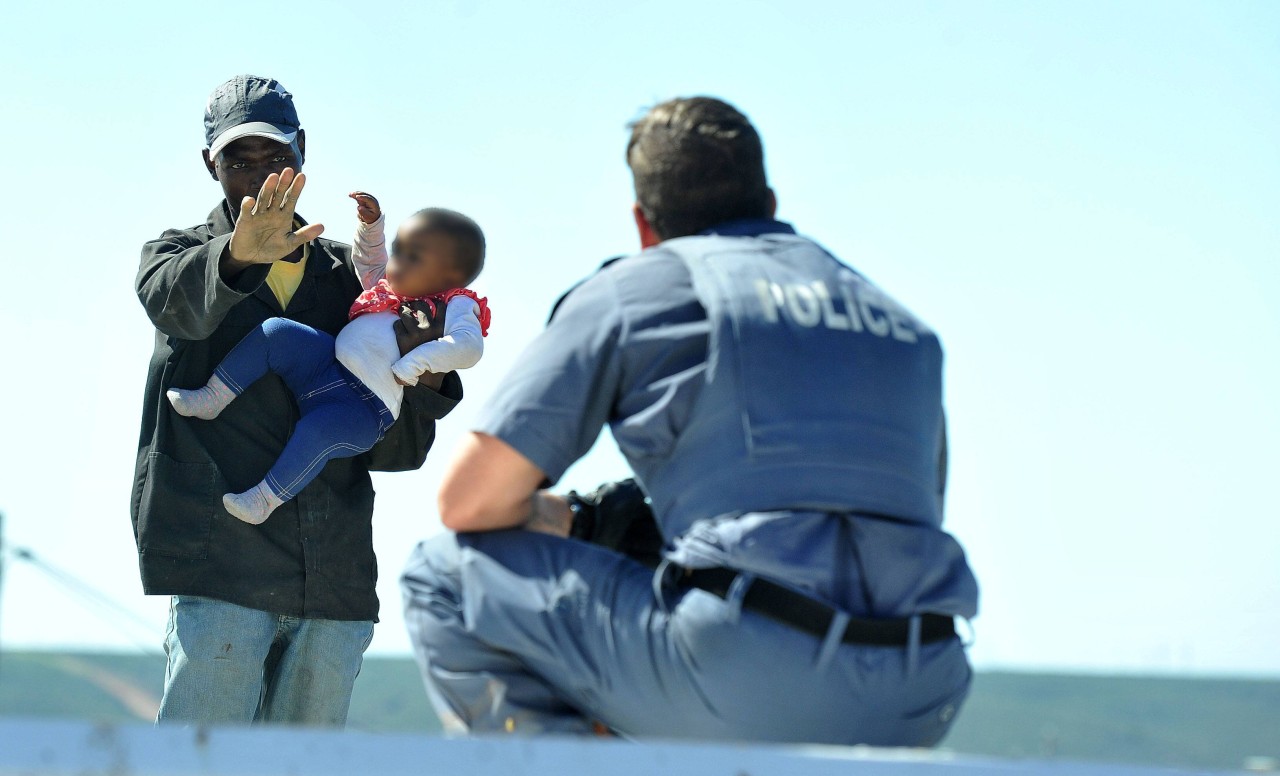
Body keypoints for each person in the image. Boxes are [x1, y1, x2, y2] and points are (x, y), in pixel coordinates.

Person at [401, 97, 979, 746]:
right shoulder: (901, 324)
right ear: (770, 205)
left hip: (745, 674)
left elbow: (469, 501)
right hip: (925, 683)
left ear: (643, 226)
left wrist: (579, 519)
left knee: (442, 573)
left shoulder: (637, 290)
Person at [133, 75, 463, 726]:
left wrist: (425, 366)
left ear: (303, 152)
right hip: (221, 573)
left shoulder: (359, 285)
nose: (259, 176)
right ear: (210, 165)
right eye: (239, 160)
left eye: (276, 156)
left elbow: (396, 448)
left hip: (333, 586)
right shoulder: (176, 259)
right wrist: (235, 260)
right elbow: (177, 303)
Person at [167, 192, 491, 524]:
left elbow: (468, 347)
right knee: (277, 332)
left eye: (414, 257)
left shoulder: (455, 304)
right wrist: (371, 226)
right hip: (327, 365)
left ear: (451, 275)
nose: (397, 262)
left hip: (364, 408)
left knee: (317, 432)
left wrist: (416, 362)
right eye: (399, 251)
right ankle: (213, 397)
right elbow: (369, 260)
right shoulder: (389, 289)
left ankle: (262, 500)